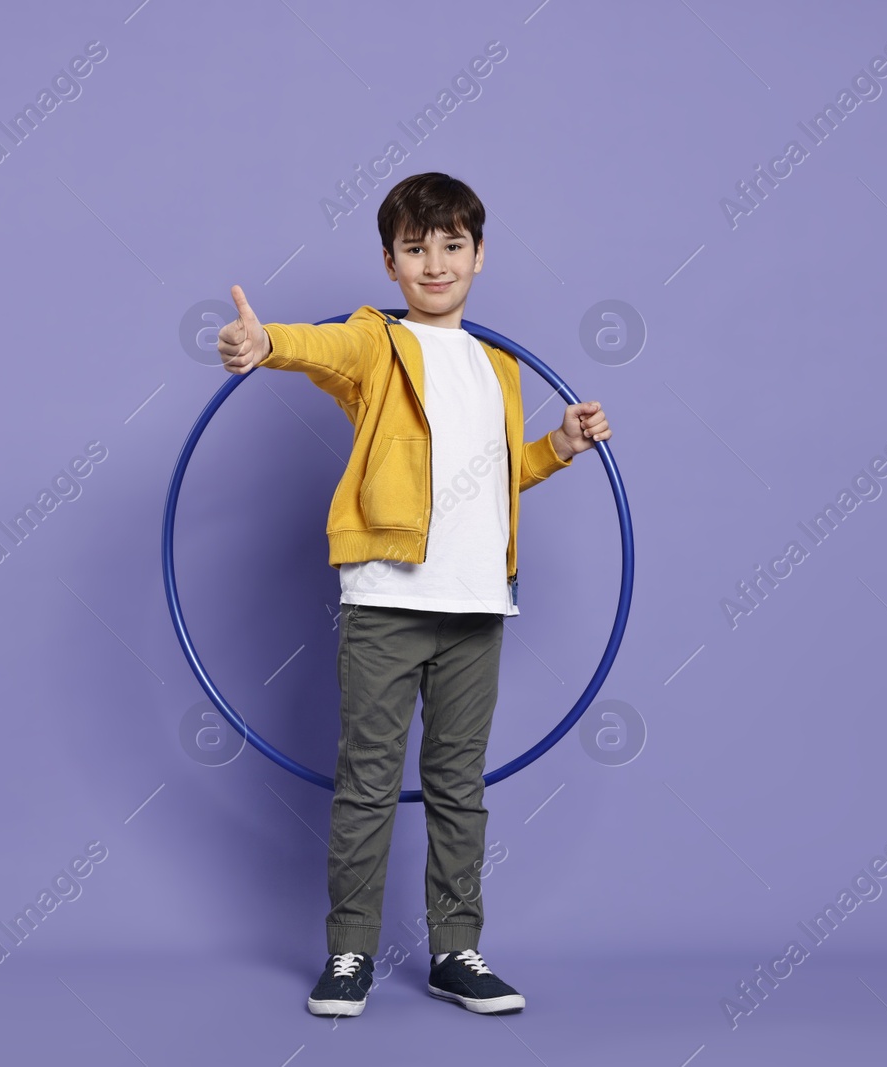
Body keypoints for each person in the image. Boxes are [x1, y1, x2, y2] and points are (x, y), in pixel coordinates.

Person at [217, 172, 612, 1017]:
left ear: (479, 255)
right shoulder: (375, 342)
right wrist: (265, 345)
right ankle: (350, 949)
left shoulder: (499, 363)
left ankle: (455, 950)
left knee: (458, 784)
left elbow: (502, 476)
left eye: (451, 246)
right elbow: (315, 348)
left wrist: (562, 445)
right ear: (390, 264)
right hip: (387, 600)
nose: (435, 263)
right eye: (415, 249)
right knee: (367, 780)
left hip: (478, 604)